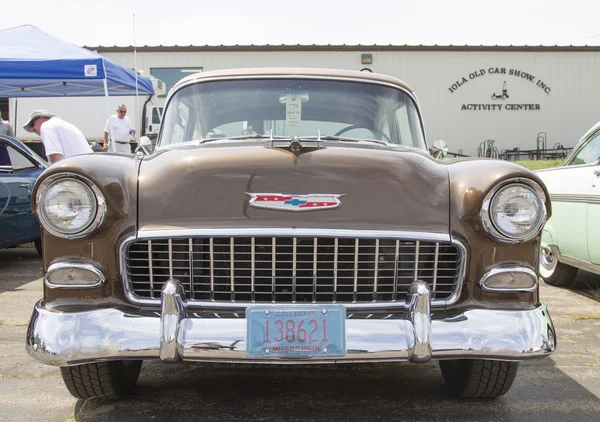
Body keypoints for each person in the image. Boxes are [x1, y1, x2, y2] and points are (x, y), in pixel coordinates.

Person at [23, 109, 92, 164]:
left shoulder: (47, 126)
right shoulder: (64, 125)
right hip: (86, 167)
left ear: (41, 119)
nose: (32, 129)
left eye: (32, 124)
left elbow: (56, 157)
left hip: (76, 171)